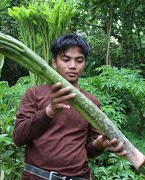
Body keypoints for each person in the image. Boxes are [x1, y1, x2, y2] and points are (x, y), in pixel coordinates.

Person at [13, 34, 127, 180]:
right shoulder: (34, 94)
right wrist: (49, 112)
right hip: (37, 176)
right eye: (66, 59)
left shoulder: (91, 102)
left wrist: (99, 144)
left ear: (84, 63)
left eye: (79, 60)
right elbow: (19, 138)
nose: (73, 66)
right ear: (54, 62)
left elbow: (88, 150)